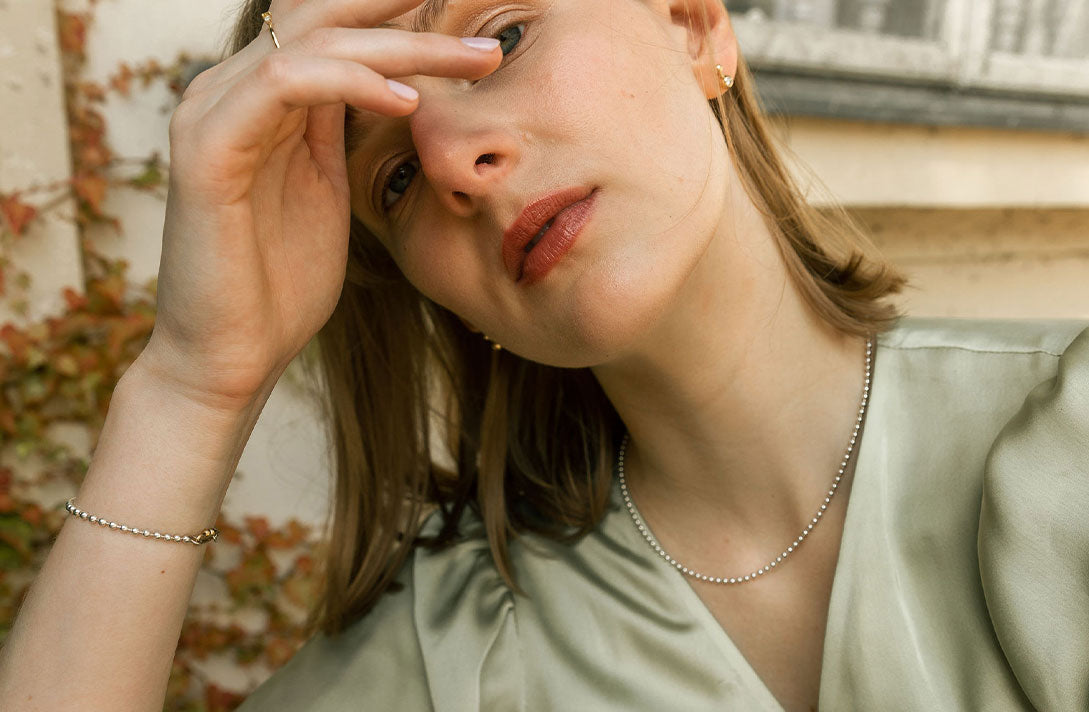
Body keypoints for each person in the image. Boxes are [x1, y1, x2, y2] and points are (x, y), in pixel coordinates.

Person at [1, 0, 1086, 709]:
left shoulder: (1064, 435)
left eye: (503, 37)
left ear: (693, 24)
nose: (454, 160)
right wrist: (193, 384)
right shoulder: (451, 656)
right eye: (392, 181)